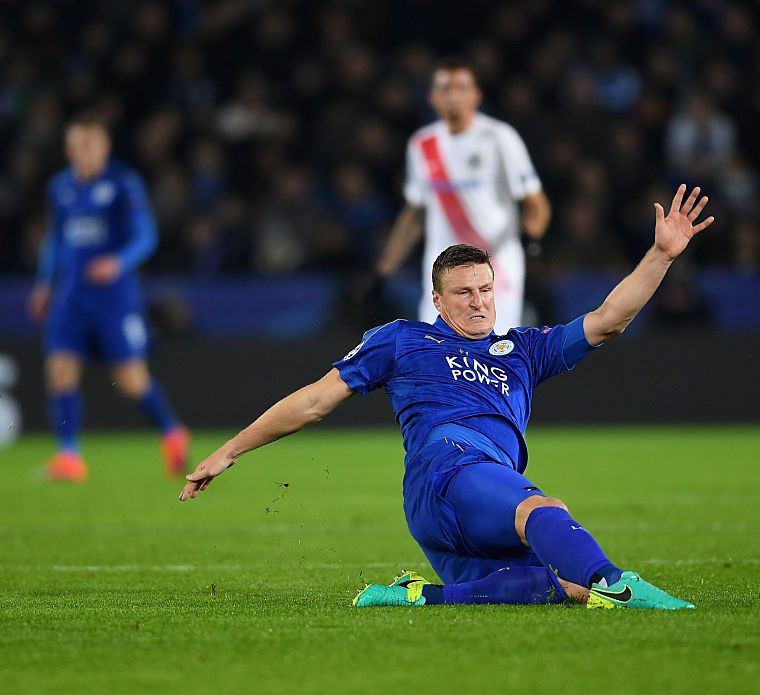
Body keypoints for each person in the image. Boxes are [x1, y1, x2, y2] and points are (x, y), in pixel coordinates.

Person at [180, 184, 714, 610]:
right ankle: (621, 585)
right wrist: (231, 449)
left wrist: (661, 256)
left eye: (485, 289)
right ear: (437, 299)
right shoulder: (402, 339)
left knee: (557, 588)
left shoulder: (523, 350)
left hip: (464, 502)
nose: (479, 302)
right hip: (447, 472)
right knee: (545, 511)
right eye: (463, 292)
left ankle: (414, 597)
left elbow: (608, 322)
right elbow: (316, 400)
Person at [26, 113, 189, 482]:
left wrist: (118, 262)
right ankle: (69, 456)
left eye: (90, 145)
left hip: (114, 299)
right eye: (76, 146)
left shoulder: (122, 184)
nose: (83, 152)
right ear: (68, 150)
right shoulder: (60, 187)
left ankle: (172, 433)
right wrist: (43, 283)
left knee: (131, 380)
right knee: (60, 371)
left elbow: (146, 235)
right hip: (71, 296)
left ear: (105, 147)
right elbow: (56, 239)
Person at [373, 59, 550, 335]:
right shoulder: (422, 144)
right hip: (442, 275)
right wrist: (384, 269)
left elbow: (535, 201)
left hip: (494, 271)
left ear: (476, 96)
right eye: (445, 89)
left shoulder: (499, 138)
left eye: (461, 87)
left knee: (494, 356)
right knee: (436, 357)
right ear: (433, 98)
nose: (453, 95)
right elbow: (414, 214)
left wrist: (531, 239)